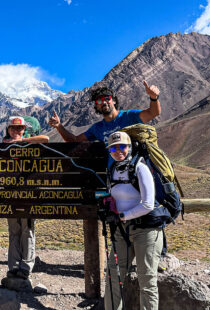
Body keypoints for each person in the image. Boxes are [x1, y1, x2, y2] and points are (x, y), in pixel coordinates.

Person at [0, 116, 49, 280]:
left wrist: (23, 140)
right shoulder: (4, 141)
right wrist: (2, 142)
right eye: (13, 128)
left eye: (20, 128)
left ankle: (26, 266)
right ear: (8, 129)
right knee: (14, 230)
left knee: (28, 229)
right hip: (10, 194)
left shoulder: (31, 142)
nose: (16, 131)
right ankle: (13, 266)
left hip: (29, 193)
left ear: (25, 130)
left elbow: (45, 139)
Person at [103, 131, 162, 310]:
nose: (118, 151)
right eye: (113, 148)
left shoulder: (140, 168)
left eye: (122, 146)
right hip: (121, 230)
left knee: (147, 280)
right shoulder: (113, 169)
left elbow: (148, 204)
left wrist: (121, 216)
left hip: (146, 230)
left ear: (129, 147)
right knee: (113, 275)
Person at [48, 81, 161, 150]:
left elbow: (153, 113)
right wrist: (59, 126)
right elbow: (74, 140)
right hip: (112, 175)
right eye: (99, 101)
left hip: (135, 169)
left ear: (114, 101)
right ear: (96, 107)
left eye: (107, 99)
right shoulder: (97, 129)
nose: (104, 102)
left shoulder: (129, 116)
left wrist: (153, 98)